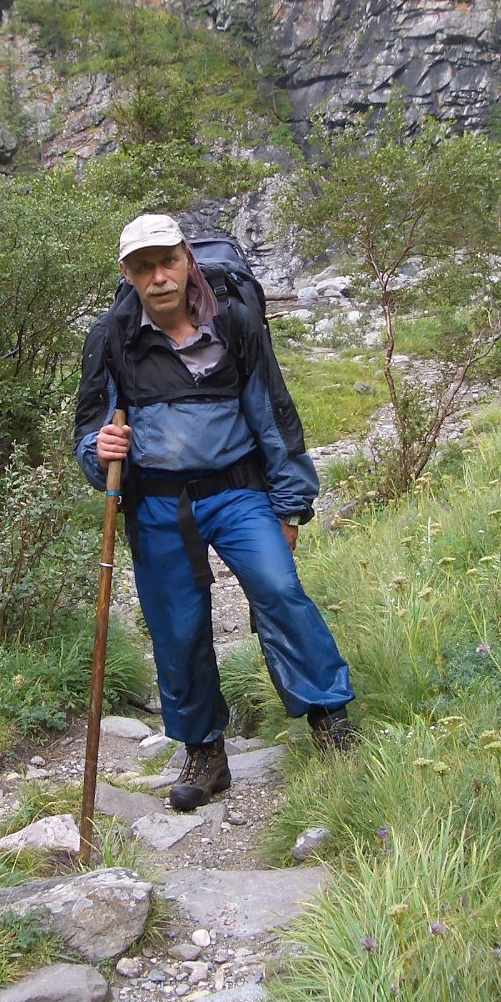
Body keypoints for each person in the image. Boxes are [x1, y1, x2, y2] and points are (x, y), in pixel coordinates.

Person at [74, 213, 356, 812]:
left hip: (237, 490)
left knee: (279, 589)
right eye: (143, 267)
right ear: (126, 273)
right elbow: (90, 434)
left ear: (187, 260)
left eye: (167, 262)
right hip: (156, 501)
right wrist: (101, 451)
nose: (159, 277)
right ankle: (204, 752)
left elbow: (273, 414)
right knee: (176, 626)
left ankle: (330, 717)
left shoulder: (233, 321)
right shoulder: (112, 337)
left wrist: (290, 506)